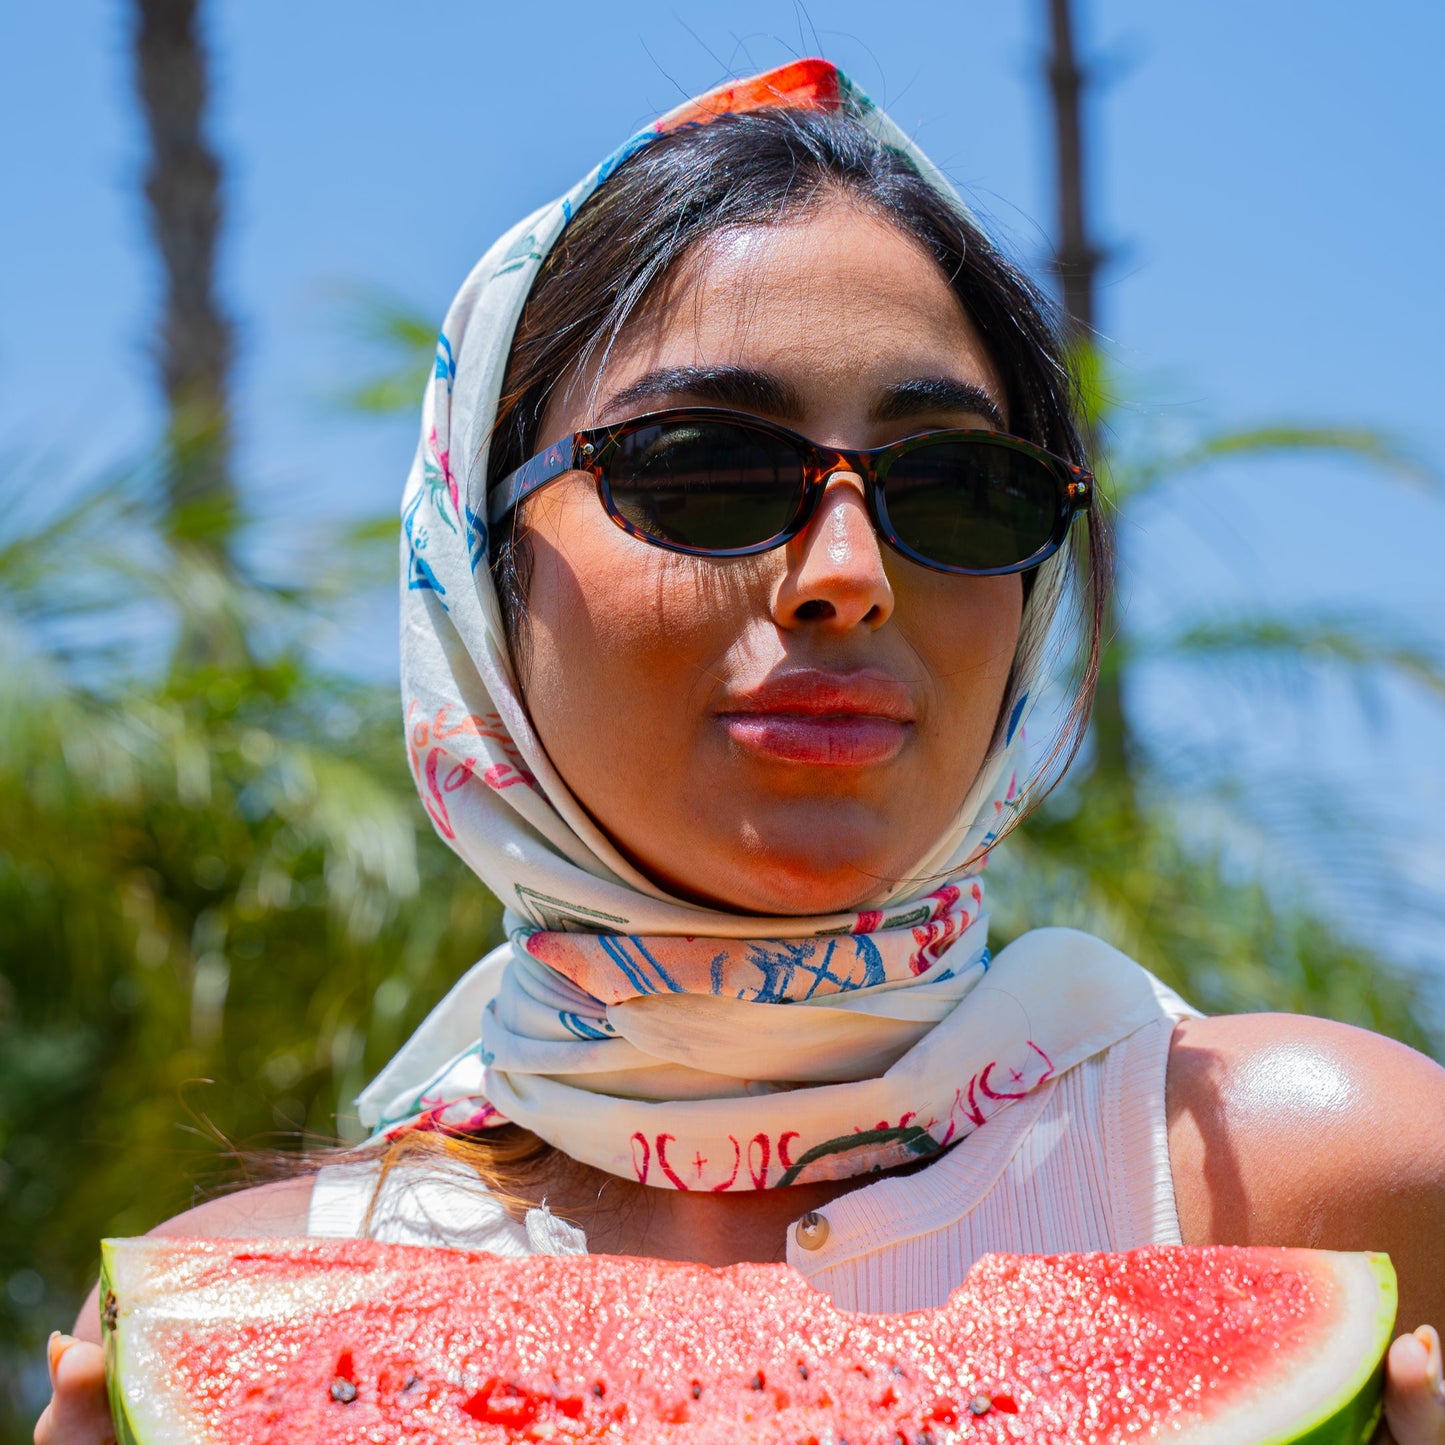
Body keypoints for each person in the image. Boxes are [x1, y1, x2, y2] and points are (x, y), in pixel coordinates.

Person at [36, 58, 1445, 1445]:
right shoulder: (238, 1319)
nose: (848, 574)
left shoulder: (1306, 1177)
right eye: (703, 467)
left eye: (955, 488)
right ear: (476, 562)